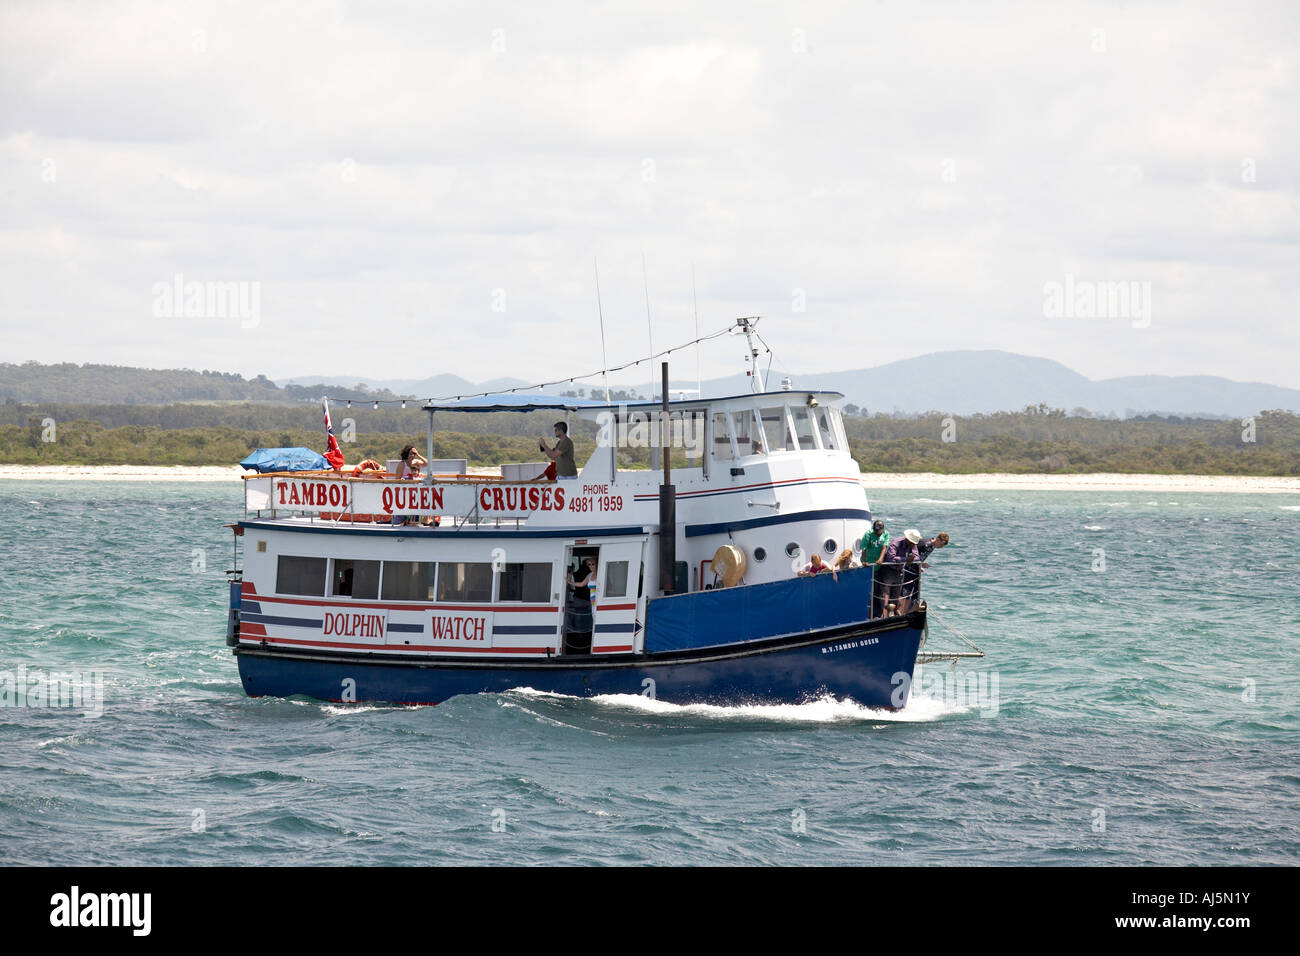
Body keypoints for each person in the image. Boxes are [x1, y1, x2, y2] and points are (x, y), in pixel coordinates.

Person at [880, 529, 921, 617]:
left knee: (896, 592)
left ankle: (893, 611)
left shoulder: (912, 544)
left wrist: (911, 558)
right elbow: (891, 558)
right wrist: (905, 559)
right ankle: (880, 614)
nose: (913, 545)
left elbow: (917, 557)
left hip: (899, 571)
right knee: (884, 592)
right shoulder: (896, 542)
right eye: (912, 543)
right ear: (907, 540)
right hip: (888, 570)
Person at [903, 532, 949, 608]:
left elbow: (920, 556)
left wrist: (921, 564)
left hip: (916, 571)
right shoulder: (924, 543)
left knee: (916, 591)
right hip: (908, 569)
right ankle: (902, 610)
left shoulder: (933, 546)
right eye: (941, 545)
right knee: (905, 591)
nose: (941, 547)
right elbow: (911, 554)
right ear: (937, 540)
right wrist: (920, 565)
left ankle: (912, 608)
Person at [859, 519, 890, 617]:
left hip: (879, 566)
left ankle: (878, 614)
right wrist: (864, 561)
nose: (878, 533)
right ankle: (869, 613)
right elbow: (864, 548)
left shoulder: (885, 534)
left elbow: (884, 548)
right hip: (869, 565)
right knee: (871, 589)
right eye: (876, 531)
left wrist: (880, 559)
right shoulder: (868, 534)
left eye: (880, 531)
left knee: (879, 591)